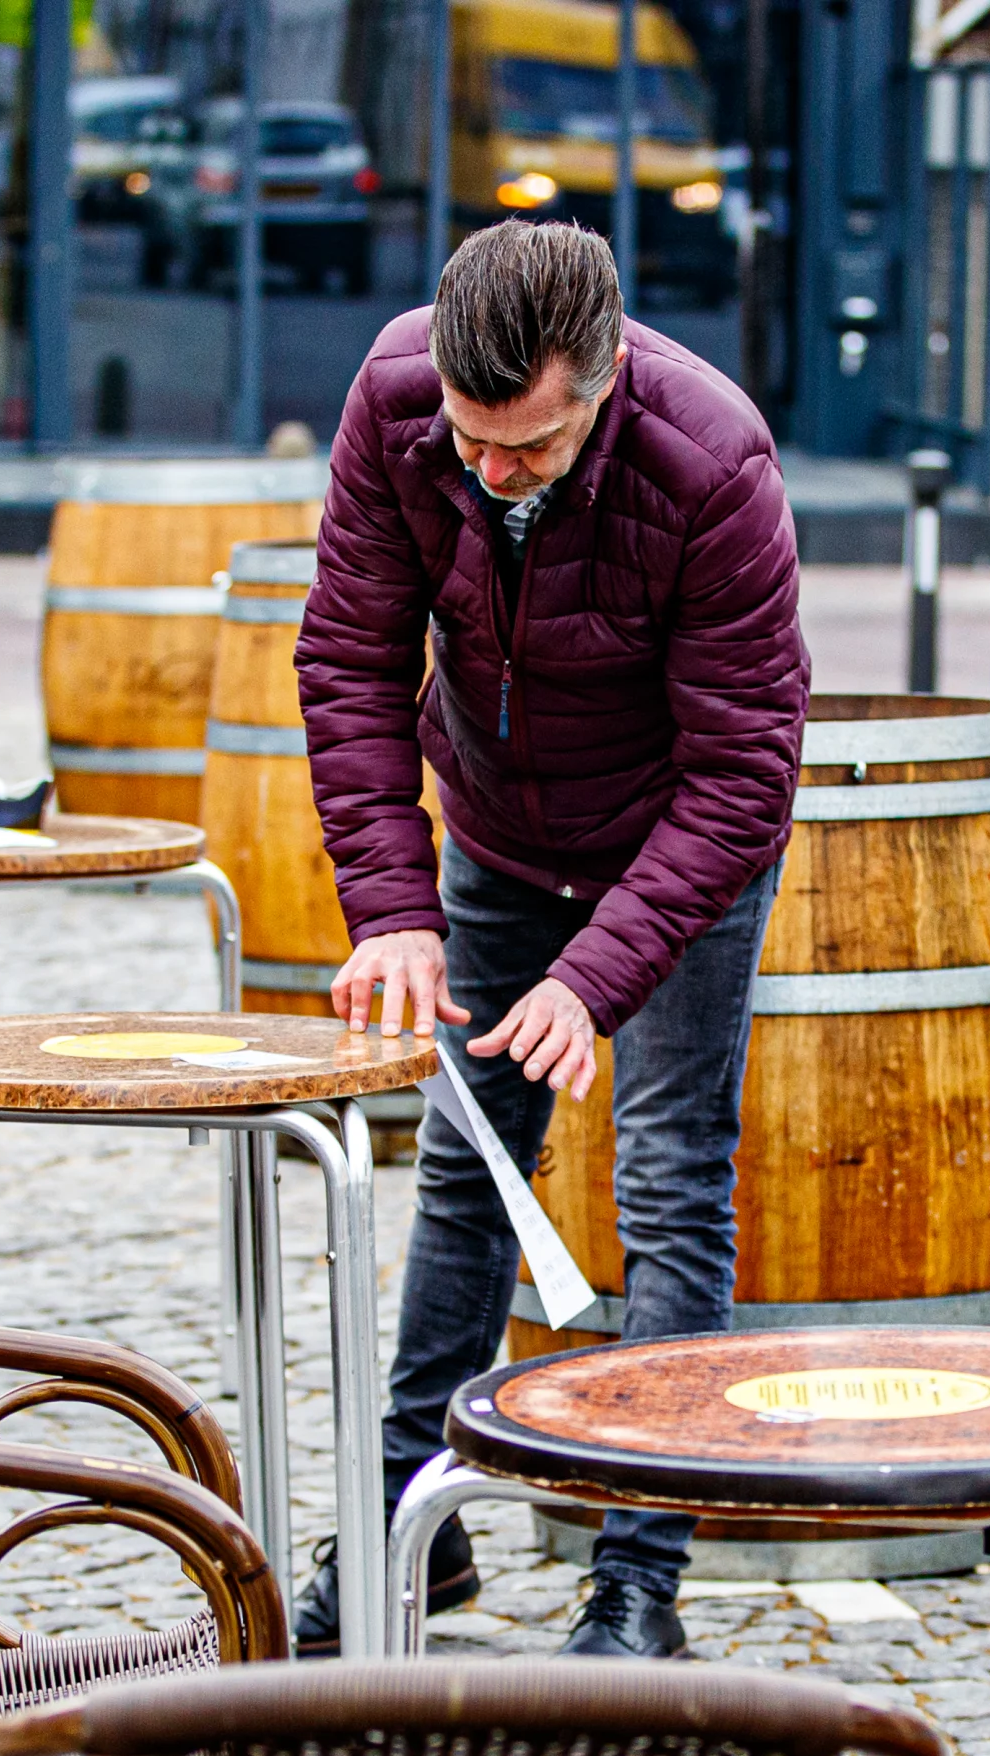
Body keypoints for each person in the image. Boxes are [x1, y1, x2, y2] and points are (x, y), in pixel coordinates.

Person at [290, 220, 807, 1659]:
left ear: (607, 378)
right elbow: (348, 655)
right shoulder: (399, 403)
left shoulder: (715, 465)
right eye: (470, 440)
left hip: (673, 846)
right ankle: (411, 1527)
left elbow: (745, 771)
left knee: (672, 1187)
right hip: (504, 833)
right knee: (466, 1176)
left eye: (526, 447)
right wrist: (393, 904)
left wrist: (596, 978)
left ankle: (639, 1576)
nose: (488, 472)